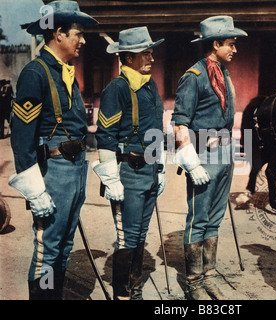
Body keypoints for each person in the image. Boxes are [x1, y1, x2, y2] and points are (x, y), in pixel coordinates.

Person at [8, 0, 97, 300]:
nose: (82, 40)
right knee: (48, 250)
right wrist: (35, 191)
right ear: (58, 33)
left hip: (75, 169)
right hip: (54, 173)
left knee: (64, 247)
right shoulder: (36, 73)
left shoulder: (64, 71)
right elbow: (21, 137)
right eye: (77, 34)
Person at [172, 15, 247, 300]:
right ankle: (193, 281)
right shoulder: (193, 77)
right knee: (198, 219)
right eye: (230, 44)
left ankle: (209, 276)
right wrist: (190, 162)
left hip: (225, 153)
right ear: (215, 44)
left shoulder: (224, 73)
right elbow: (180, 124)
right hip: (203, 155)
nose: (235, 49)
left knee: (214, 219)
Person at [93, 27, 165, 300]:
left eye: (151, 52)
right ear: (128, 58)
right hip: (128, 173)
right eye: (145, 53)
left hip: (149, 171)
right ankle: (122, 295)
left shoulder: (150, 85)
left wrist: (160, 167)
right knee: (127, 236)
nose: (151, 58)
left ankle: (134, 288)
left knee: (141, 233)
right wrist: (111, 178)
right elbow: (105, 136)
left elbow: (157, 129)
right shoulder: (116, 88)